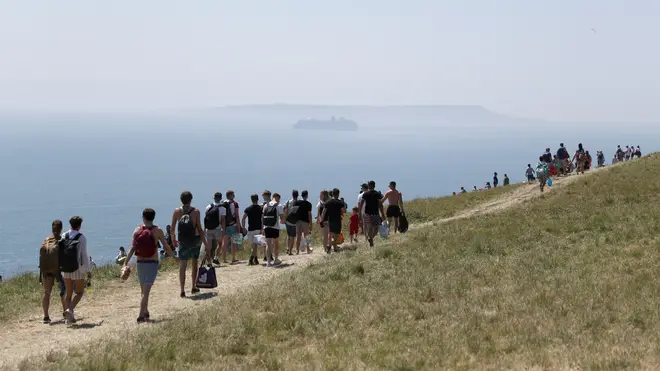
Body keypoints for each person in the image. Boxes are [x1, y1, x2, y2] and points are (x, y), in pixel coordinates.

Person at [124, 208, 177, 323]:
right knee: (146, 292)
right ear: (153, 217)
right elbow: (165, 246)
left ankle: (146, 311)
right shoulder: (158, 231)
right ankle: (140, 315)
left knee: (143, 291)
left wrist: (125, 262)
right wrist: (173, 256)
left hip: (140, 263)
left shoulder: (137, 230)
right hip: (152, 263)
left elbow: (132, 248)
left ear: (143, 217)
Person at [171, 191, 209, 298]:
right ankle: (193, 286)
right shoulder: (196, 211)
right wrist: (205, 243)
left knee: (183, 265)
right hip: (194, 240)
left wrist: (174, 240)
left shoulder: (177, 211)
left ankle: (182, 290)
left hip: (182, 241)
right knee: (194, 263)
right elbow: (199, 229)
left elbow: (172, 229)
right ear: (191, 200)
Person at [60, 216, 91, 325]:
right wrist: (88, 270)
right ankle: (70, 310)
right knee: (79, 292)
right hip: (77, 269)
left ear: (70, 225)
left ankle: (69, 319)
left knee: (68, 294)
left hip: (65, 269)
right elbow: (84, 255)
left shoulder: (64, 235)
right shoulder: (81, 238)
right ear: (79, 225)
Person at [39, 219, 67, 324]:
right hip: (58, 270)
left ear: (52, 229)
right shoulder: (61, 241)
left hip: (46, 270)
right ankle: (65, 312)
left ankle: (46, 316)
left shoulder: (46, 240)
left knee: (47, 293)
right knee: (63, 292)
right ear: (61, 229)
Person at [358, 181, 386, 247]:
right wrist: (382, 214)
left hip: (367, 213)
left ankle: (370, 239)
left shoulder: (365, 194)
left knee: (370, 228)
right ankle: (371, 240)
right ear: (374, 186)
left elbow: (361, 204)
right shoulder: (377, 194)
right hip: (375, 213)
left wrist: (359, 213)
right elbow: (381, 204)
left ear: (369, 186)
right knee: (376, 229)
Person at [261, 191, 285, 266]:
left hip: (266, 226)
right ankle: (276, 259)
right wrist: (283, 221)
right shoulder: (279, 205)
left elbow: (262, 217)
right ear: (277, 198)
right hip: (275, 226)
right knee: (275, 243)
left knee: (268, 244)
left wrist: (262, 228)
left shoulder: (266, 205)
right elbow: (282, 218)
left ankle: (268, 262)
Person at [203, 192, 226, 265]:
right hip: (217, 229)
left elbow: (206, 219)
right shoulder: (222, 208)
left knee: (208, 247)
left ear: (214, 198)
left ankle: (209, 262)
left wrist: (204, 229)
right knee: (220, 243)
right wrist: (223, 230)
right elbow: (223, 221)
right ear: (221, 198)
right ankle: (216, 258)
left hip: (208, 229)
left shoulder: (208, 207)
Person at [321, 188, 346, 253]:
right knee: (336, 235)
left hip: (330, 220)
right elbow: (344, 210)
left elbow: (324, 211)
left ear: (332, 194)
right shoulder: (340, 202)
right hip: (337, 220)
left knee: (331, 234)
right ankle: (330, 245)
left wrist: (322, 220)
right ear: (338, 194)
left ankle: (333, 248)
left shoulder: (328, 202)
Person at [242, 194, 263, 266]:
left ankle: (253, 259)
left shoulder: (248, 209)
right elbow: (262, 219)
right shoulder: (260, 208)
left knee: (254, 245)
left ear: (251, 199)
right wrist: (262, 228)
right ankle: (253, 259)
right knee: (255, 245)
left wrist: (243, 227)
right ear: (257, 199)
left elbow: (243, 218)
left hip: (251, 229)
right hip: (258, 228)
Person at [221, 191, 241, 265]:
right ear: (231, 195)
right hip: (233, 224)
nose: (234, 195)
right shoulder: (235, 204)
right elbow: (237, 215)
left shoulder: (223, 203)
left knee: (225, 242)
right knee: (234, 242)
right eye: (233, 194)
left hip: (225, 225)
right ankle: (233, 258)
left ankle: (224, 259)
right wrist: (238, 226)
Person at [295, 190, 313, 254]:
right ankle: (308, 249)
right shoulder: (308, 204)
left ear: (301, 195)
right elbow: (309, 214)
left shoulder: (296, 202)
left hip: (297, 221)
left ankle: (297, 250)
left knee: (298, 236)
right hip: (305, 221)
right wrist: (311, 223)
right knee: (307, 235)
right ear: (307, 195)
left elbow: (294, 211)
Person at [283, 190, 300, 255]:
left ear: (292, 195)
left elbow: (285, 209)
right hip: (295, 222)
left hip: (288, 221)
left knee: (289, 235)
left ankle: (287, 247)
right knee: (293, 236)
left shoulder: (288, 202)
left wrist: (284, 219)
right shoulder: (299, 202)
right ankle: (290, 251)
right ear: (297, 195)